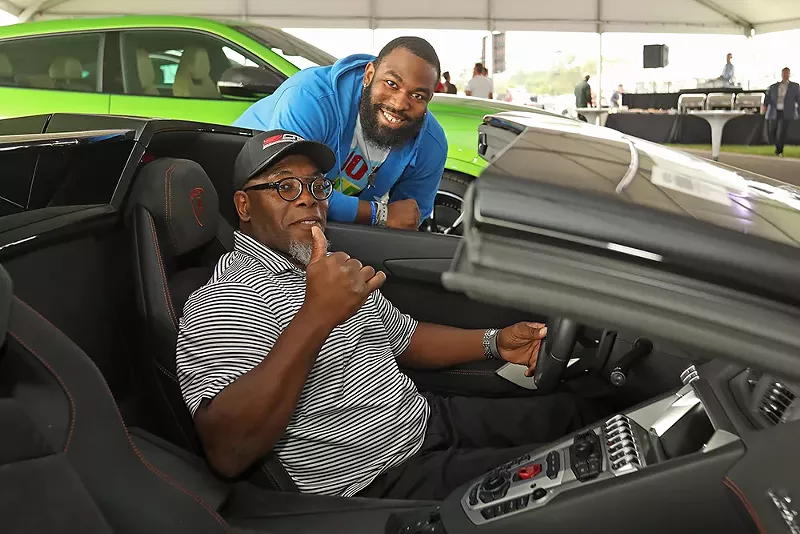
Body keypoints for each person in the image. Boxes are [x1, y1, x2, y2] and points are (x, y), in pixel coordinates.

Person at [176, 130, 603, 501]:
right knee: (584, 480)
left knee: (583, 417)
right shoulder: (225, 300)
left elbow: (408, 339)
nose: (307, 198)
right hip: (378, 478)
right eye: (284, 187)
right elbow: (228, 450)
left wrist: (495, 341)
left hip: (426, 421)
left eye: (315, 185)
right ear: (244, 206)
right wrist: (316, 315)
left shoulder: (328, 268)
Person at [233, 37, 448, 231]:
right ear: (369, 75)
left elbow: (406, 219)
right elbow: (291, 194)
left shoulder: (431, 145)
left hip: (323, 224)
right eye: (391, 84)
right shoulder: (311, 98)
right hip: (245, 213)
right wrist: (379, 214)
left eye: (418, 95)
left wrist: (382, 218)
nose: (400, 104)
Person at [763, 67, 800, 157]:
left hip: (787, 112)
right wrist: (765, 106)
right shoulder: (774, 86)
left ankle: (779, 150)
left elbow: (798, 99)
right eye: (784, 73)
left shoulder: (795, 86)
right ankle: (777, 146)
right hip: (774, 111)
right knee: (772, 130)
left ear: (789, 74)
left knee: (782, 131)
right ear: (781, 74)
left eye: (787, 73)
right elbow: (767, 97)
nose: (785, 75)